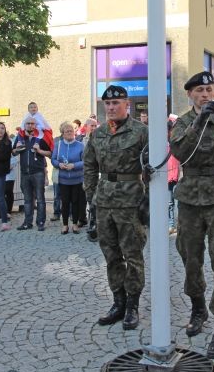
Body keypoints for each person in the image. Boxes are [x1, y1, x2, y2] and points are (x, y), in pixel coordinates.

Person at [170, 71, 214, 359]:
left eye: (210, 89)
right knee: (190, 257)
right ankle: (198, 308)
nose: (206, 94)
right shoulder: (184, 122)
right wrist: (199, 120)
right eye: (199, 90)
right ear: (190, 95)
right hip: (190, 198)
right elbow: (180, 151)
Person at [84, 85, 148, 331]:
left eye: (116, 103)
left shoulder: (141, 132)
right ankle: (118, 302)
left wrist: (148, 201)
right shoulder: (97, 133)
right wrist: (91, 198)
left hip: (130, 201)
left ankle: (132, 305)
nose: (111, 108)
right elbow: (89, 165)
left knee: (133, 256)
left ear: (127, 104)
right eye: (107, 104)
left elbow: (152, 168)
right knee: (111, 255)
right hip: (104, 201)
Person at [12, 118, 52, 231]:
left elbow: (49, 153)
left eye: (32, 124)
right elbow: (13, 152)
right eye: (28, 124)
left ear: (35, 125)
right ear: (24, 125)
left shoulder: (40, 138)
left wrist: (39, 151)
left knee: (40, 199)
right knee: (27, 200)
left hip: (38, 173)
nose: (30, 126)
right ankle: (27, 223)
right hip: (25, 173)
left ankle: (40, 222)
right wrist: (17, 149)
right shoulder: (20, 138)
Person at [52, 121, 86, 234]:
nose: (70, 133)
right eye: (67, 131)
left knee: (76, 202)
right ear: (62, 133)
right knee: (65, 202)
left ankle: (75, 224)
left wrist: (74, 165)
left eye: (71, 131)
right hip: (63, 179)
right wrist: (59, 164)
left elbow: (85, 162)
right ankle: (65, 225)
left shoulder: (80, 145)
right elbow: (53, 159)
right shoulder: (58, 144)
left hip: (77, 179)